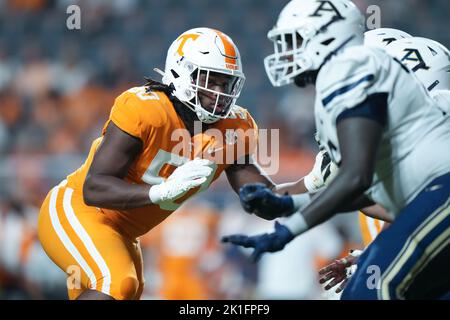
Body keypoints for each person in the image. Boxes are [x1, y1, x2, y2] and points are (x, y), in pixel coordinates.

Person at [222, 0, 450, 299]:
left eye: (296, 41)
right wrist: (236, 164)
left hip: (439, 202)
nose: (288, 52)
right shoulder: (348, 119)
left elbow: (359, 181)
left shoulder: (355, 73)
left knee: (369, 289)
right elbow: (359, 192)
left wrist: (290, 227)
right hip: (432, 215)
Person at [37, 27, 279, 300]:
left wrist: (313, 183)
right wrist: (160, 191)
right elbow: (93, 188)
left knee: (127, 292)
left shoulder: (235, 127)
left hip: (124, 233)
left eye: (226, 83)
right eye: (211, 81)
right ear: (183, 72)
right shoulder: (146, 109)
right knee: (118, 285)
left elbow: (265, 201)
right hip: (77, 209)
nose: (219, 93)